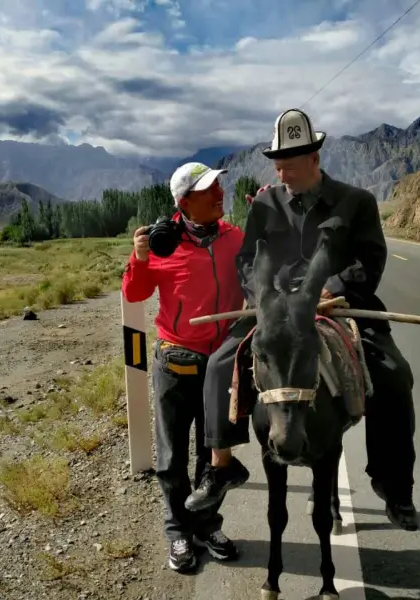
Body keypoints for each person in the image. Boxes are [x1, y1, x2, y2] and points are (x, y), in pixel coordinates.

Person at [184, 109, 419, 531]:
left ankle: (394, 482)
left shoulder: (357, 202)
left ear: (314, 158)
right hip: (275, 310)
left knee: (394, 374)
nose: (281, 173)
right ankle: (219, 467)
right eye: (277, 165)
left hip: (340, 306)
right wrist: (266, 298)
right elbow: (246, 263)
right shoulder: (265, 204)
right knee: (221, 364)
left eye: (288, 165)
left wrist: (333, 288)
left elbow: (372, 260)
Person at [121, 161, 245, 573]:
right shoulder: (163, 244)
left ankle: (205, 525)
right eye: (209, 188)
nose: (219, 192)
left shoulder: (234, 237)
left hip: (221, 364)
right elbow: (135, 293)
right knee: (172, 458)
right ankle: (178, 533)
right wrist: (139, 259)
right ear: (185, 202)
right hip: (175, 365)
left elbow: (262, 273)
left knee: (214, 457)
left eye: (218, 185)